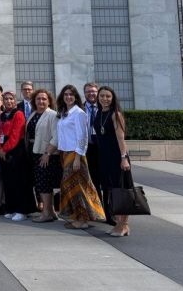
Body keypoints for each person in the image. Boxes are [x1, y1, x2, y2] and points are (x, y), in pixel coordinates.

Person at [56, 84, 105, 229]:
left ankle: (83, 220)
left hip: (75, 155)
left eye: (71, 94)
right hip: (65, 153)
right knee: (70, 188)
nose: (68, 97)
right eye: (66, 94)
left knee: (79, 188)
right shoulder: (65, 112)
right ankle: (76, 216)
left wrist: (78, 157)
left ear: (76, 97)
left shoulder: (79, 113)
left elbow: (82, 137)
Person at [94, 86, 132, 237]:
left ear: (113, 98)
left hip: (117, 158)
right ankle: (119, 223)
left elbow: (121, 138)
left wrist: (123, 158)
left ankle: (124, 225)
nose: (104, 99)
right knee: (110, 191)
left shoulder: (116, 115)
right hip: (105, 158)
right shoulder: (99, 113)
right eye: (102, 96)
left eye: (108, 96)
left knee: (121, 191)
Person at [0, 91, 36, 221]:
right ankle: (11, 207)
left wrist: (5, 149)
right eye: (6, 99)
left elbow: (15, 135)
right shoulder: (3, 115)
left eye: (11, 99)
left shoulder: (18, 114)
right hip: (4, 152)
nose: (8, 101)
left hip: (16, 151)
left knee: (19, 182)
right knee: (8, 181)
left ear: (14, 100)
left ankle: (22, 210)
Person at [26, 90, 61, 223]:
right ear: (34, 101)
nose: (41, 101)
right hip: (34, 152)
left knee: (44, 183)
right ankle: (51, 211)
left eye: (44, 99)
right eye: (38, 99)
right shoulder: (34, 114)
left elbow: (56, 136)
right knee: (41, 183)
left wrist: (48, 153)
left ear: (49, 101)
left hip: (46, 154)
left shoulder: (53, 115)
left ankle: (46, 213)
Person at [83, 82, 107, 220]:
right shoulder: (79, 108)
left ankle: (109, 212)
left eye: (93, 91)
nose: (91, 94)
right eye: (88, 92)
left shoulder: (105, 107)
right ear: (84, 94)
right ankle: (97, 209)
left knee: (106, 181)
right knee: (92, 181)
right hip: (88, 149)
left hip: (103, 149)